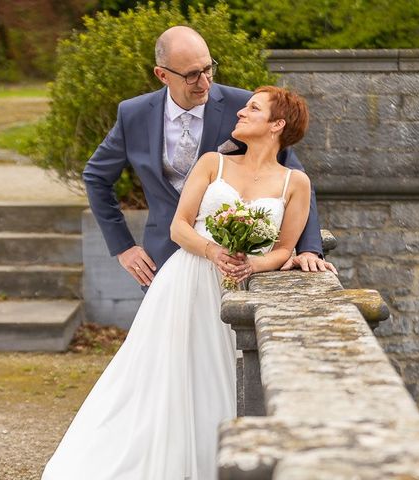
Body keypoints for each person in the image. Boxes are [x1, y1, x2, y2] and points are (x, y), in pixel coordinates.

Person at [42, 85, 324, 479]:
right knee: (167, 375)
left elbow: (283, 248)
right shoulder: (213, 163)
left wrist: (253, 266)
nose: (241, 113)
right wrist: (213, 252)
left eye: (253, 109)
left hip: (239, 289)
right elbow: (179, 226)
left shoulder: (296, 183)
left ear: (277, 124)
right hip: (186, 282)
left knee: (223, 375)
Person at [83, 25, 336, 289]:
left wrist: (309, 249)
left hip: (233, 269)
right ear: (162, 75)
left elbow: (294, 180)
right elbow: (96, 177)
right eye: (192, 75)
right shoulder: (133, 115)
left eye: (208, 68)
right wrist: (123, 247)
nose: (204, 83)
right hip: (162, 261)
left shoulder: (241, 106)